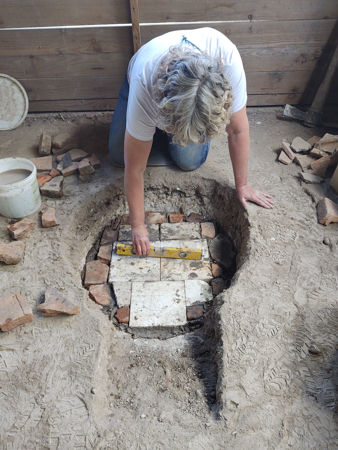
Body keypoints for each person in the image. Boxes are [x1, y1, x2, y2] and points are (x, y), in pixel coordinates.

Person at [108, 27, 273, 255]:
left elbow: (237, 131)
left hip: (188, 102)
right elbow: (135, 169)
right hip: (141, 86)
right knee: (119, 155)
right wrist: (138, 225)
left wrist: (242, 185)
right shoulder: (144, 83)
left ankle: (147, 138)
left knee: (189, 161)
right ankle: (144, 136)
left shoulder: (227, 60)